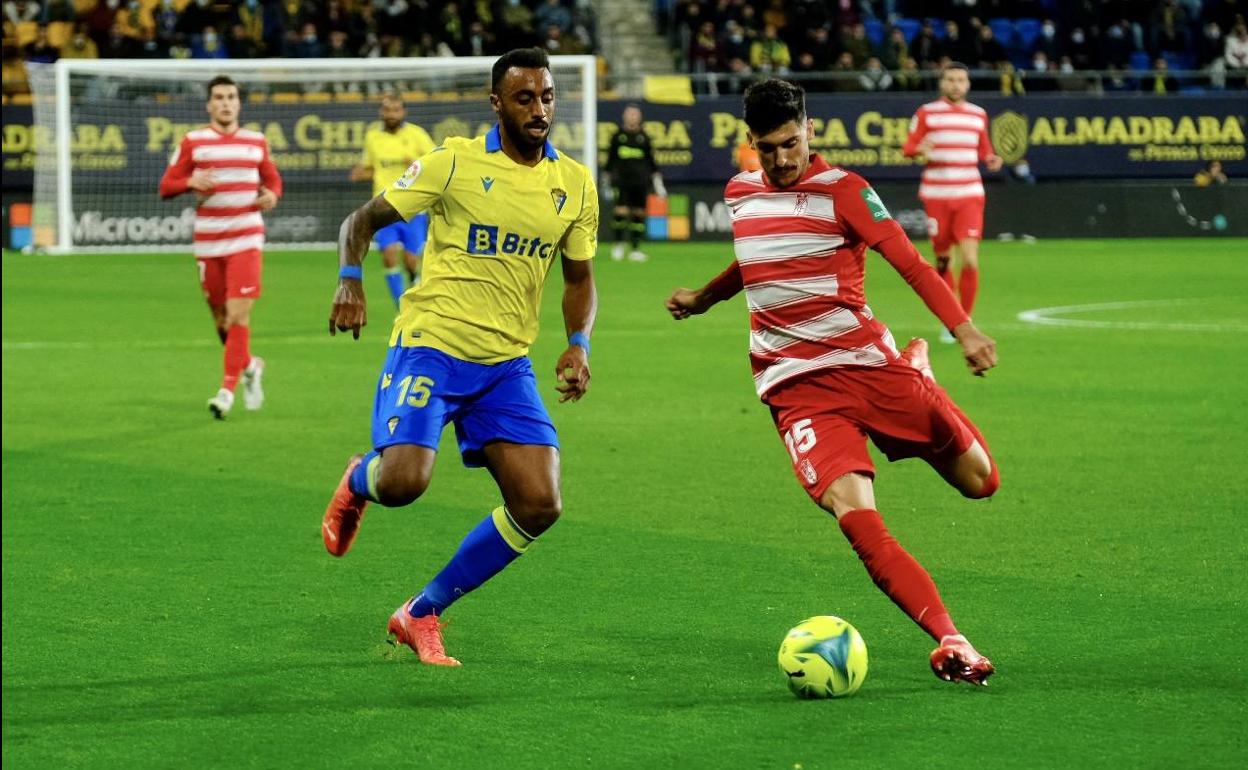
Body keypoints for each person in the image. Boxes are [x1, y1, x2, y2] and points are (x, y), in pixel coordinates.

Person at [666, 79, 1000, 687]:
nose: (782, 159)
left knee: (982, 483)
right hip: (794, 384)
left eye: (790, 143)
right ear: (751, 144)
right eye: (767, 149)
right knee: (854, 513)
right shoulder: (740, 193)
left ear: (809, 130)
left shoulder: (846, 191)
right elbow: (756, 260)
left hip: (867, 366)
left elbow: (911, 263)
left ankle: (921, 374)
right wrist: (705, 298)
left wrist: (966, 329)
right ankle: (952, 640)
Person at [322, 47, 599, 667]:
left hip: (505, 366)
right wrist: (349, 279)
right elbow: (359, 220)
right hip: (432, 348)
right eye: (524, 98)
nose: (539, 109)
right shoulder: (453, 163)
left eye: (547, 97)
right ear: (496, 101)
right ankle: (358, 479)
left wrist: (578, 343)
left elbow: (579, 278)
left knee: (540, 504)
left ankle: (420, 612)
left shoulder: (575, 184)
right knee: (403, 484)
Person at [159, 75, 281, 419]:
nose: (226, 102)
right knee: (221, 321)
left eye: (231, 97)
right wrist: (188, 181)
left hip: (246, 237)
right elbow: (166, 186)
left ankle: (227, 390)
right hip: (209, 242)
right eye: (219, 97)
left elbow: (272, 178)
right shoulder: (193, 142)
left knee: (239, 315)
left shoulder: (256, 142)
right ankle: (250, 365)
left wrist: (272, 195)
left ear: (238, 103)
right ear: (209, 105)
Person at [902, 62, 1003, 343]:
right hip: (937, 196)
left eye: (961, 79)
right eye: (951, 79)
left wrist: (992, 160)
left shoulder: (978, 115)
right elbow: (908, 147)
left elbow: (985, 150)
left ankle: (964, 321)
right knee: (944, 261)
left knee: (970, 259)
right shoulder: (927, 113)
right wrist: (918, 149)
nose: (956, 84)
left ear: (968, 84)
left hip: (969, 194)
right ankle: (952, 319)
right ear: (942, 83)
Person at [349, 93, 435, 307]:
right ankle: (401, 306)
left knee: (411, 259)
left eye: (396, 110)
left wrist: (415, 163)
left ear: (403, 112)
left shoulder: (417, 135)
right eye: (387, 110)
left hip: (413, 207)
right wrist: (362, 173)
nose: (391, 115)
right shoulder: (373, 137)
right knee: (388, 255)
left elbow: (435, 164)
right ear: (381, 112)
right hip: (384, 206)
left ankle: (415, 283)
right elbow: (373, 168)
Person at [603, 104, 665, 262]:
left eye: (634, 115)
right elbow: (610, 161)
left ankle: (635, 249)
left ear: (639, 117)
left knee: (639, 214)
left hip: (641, 182)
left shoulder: (644, 137)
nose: (632, 117)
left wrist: (658, 184)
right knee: (621, 212)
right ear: (624, 116)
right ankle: (618, 245)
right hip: (622, 181)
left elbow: (652, 163)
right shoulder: (618, 136)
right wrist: (606, 181)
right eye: (629, 114)